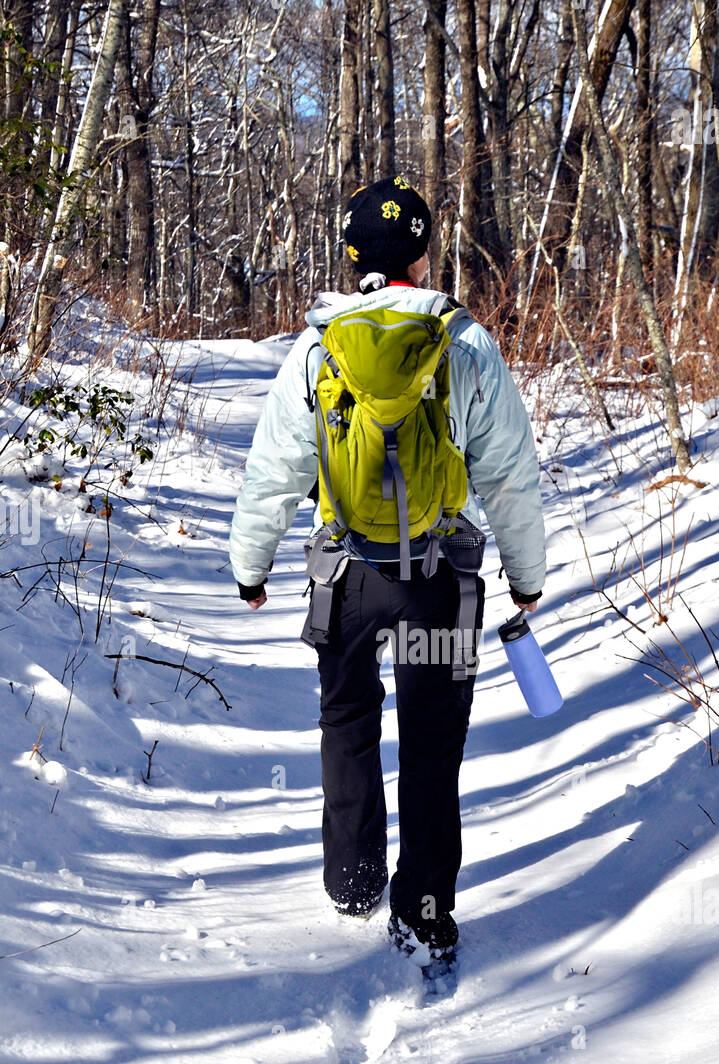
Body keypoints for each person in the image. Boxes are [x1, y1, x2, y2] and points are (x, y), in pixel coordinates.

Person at [229, 176, 545, 967]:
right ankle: (424, 914)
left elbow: (274, 470)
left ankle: (353, 880)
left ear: (351, 254)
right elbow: (507, 473)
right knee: (433, 746)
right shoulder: (463, 341)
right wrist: (525, 574)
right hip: (441, 577)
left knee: (346, 720)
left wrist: (251, 564)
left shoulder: (317, 345)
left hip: (345, 574)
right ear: (424, 251)